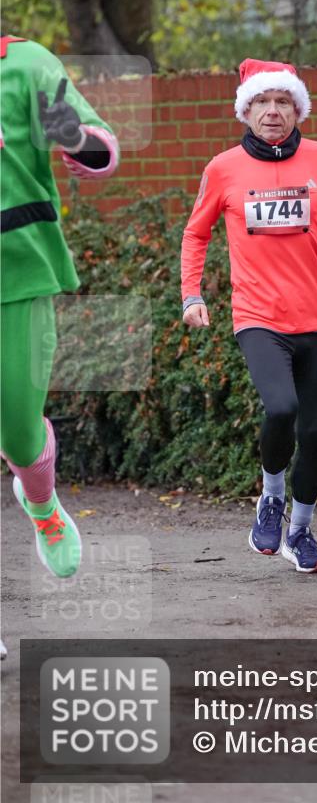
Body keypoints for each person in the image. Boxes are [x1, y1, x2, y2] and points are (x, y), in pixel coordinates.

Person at [181, 58, 317, 573]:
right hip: (258, 318)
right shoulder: (223, 168)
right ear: (246, 110)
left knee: (315, 433)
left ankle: (300, 532)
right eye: (263, 103)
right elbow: (196, 232)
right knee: (281, 409)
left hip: (315, 319)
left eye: (283, 102)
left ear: (298, 110)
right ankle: (271, 497)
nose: (273, 112)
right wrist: (192, 294)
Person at [0, 36, 120, 596]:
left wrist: (74, 137)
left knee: (20, 433)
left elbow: (99, 146)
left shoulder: (26, 65)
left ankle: (41, 500)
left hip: (18, 270)